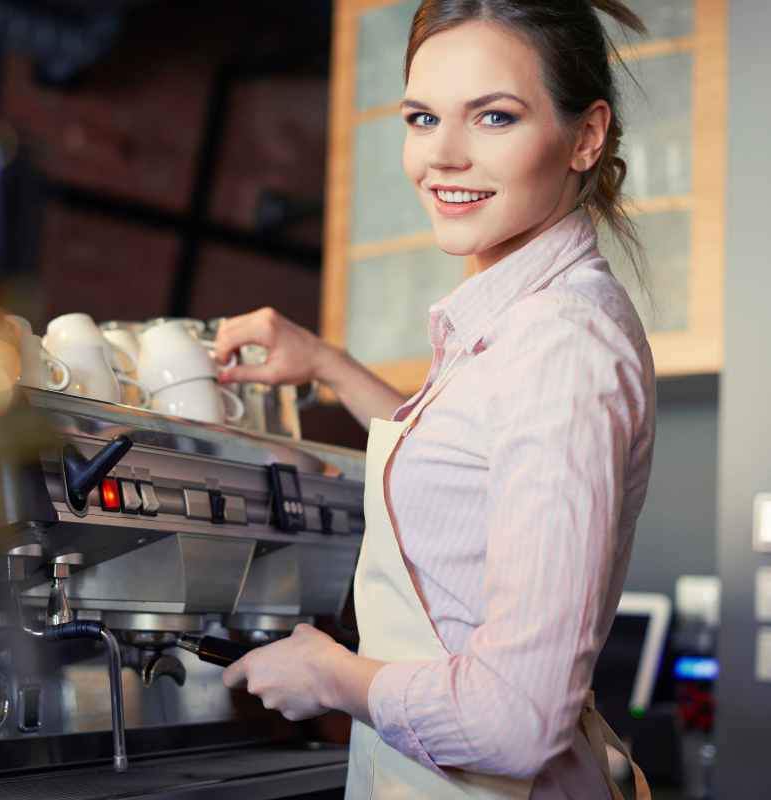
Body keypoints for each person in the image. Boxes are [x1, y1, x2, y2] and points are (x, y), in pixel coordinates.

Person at [214, 1, 656, 797]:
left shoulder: (563, 350)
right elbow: (465, 466)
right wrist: (327, 363)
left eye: (494, 116)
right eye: (423, 117)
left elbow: (517, 719)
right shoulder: (522, 322)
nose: (442, 157)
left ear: (585, 136)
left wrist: (332, 676)